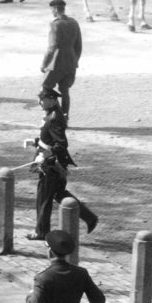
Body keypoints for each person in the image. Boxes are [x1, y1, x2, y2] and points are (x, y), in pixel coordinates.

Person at [29, 88, 98, 240]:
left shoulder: (54, 118)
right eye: (40, 98)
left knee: (44, 198)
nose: (40, 102)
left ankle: (41, 232)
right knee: (59, 194)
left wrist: (47, 154)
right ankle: (90, 217)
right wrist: (35, 142)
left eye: (43, 99)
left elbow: (61, 144)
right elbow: (48, 139)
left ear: (53, 100)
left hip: (52, 166)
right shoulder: (50, 114)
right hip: (51, 163)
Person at [41, 0, 82, 119]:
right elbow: (78, 45)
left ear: (54, 9)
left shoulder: (55, 25)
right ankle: (65, 116)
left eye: (52, 10)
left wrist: (44, 64)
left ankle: (52, 115)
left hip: (57, 63)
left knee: (46, 87)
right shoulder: (74, 22)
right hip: (72, 63)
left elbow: (52, 47)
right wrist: (74, 60)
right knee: (65, 91)